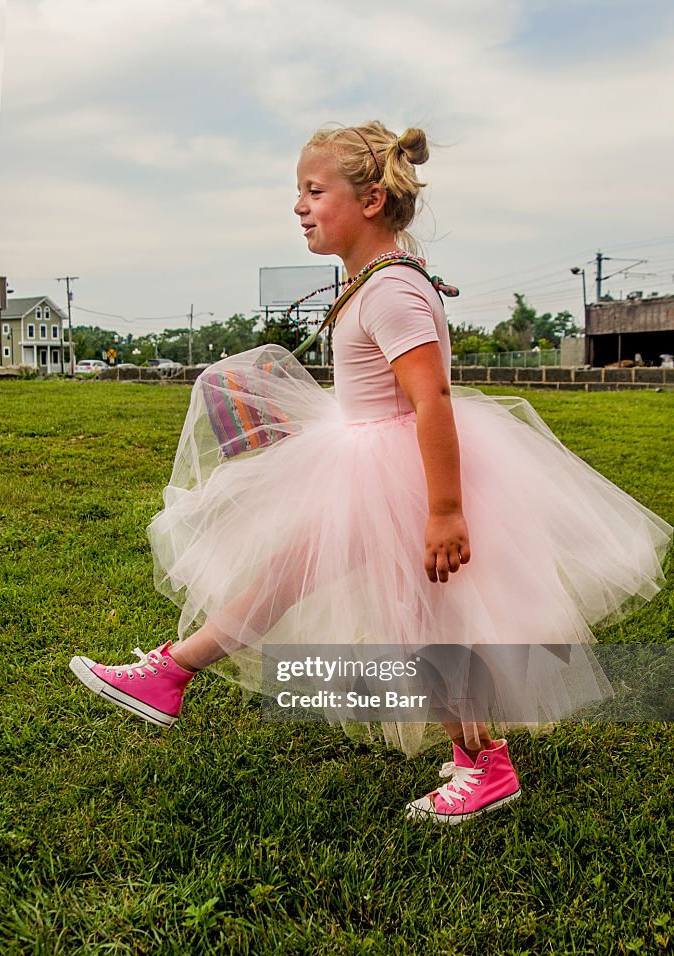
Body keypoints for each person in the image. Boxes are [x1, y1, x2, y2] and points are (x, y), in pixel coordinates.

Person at [70, 121, 672, 826]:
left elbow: (431, 399)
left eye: (315, 190)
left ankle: (485, 763)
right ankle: (170, 675)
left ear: (373, 200)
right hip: (363, 466)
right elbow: (373, 395)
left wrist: (444, 510)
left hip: (402, 481)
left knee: (425, 624)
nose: (299, 205)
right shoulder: (368, 285)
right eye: (298, 190)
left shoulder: (391, 292)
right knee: (283, 574)